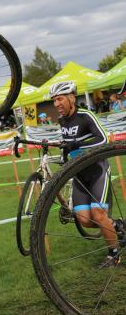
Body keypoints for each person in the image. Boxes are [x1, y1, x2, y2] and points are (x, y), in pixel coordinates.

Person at [49, 81, 121, 268]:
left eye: (59, 99)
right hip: (79, 175)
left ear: (71, 98)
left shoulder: (85, 115)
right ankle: (117, 226)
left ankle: (114, 254)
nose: (56, 104)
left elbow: (103, 139)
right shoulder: (62, 121)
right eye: (54, 101)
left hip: (97, 170)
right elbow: (68, 146)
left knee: (98, 214)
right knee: (84, 220)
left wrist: (77, 145)